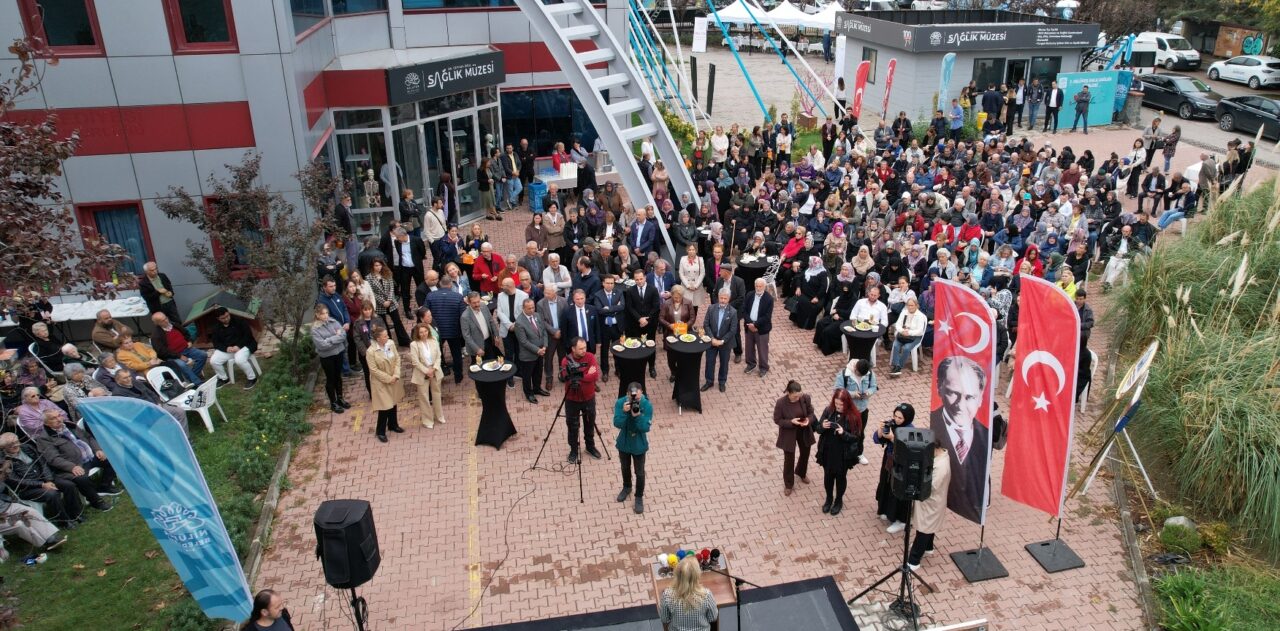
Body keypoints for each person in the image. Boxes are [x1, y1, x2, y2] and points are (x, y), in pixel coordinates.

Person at [929, 356, 990, 525]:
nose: (960, 405)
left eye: (970, 397)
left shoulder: (985, 436)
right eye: (953, 393)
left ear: (981, 397)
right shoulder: (932, 430)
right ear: (939, 387)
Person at [35, 409, 119, 512]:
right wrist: (71, 467)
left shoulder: (70, 426)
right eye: (54, 418)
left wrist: (98, 449)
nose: (58, 419)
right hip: (74, 464)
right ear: (46, 423)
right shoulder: (44, 438)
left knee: (111, 457)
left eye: (59, 416)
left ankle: (104, 486)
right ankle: (96, 502)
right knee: (81, 478)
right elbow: (53, 459)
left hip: (90, 457)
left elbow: (88, 437)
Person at [1, 431, 83, 528]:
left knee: (69, 485)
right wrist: (41, 485)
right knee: (51, 494)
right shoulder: (3, 461)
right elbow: (16, 481)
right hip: (26, 489)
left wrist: (48, 480)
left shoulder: (27, 448)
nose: (15, 446)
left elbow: (42, 463)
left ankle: (75, 514)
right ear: (4, 447)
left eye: (16, 442)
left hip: (45, 479)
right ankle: (64, 521)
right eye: (11, 445)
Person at [0, 460, 67, 561]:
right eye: (2, 473)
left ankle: (50, 538)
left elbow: (6, 462)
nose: (4, 475)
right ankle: (43, 543)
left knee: (30, 511)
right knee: (18, 524)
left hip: (7, 506)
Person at [908, 440, 952, 570]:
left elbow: (932, 486)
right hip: (932, 502)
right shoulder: (941, 456)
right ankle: (928, 547)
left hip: (931, 501)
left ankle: (914, 560)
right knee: (929, 526)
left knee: (924, 529)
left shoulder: (941, 467)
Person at [817, 389, 862, 515]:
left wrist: (843, 433)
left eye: (841, 405)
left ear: (847, 403)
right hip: (827, 450)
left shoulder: (853, 416)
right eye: (836, 404)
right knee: (828, 476)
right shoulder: (828, 410)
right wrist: (822, 426)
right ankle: (829, 498)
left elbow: (856, 437)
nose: (838, 407)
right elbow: (818, 429)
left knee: (841, 478)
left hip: (843, 453)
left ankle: (838, 500)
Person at [561, 337, 602, 464]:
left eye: (585, 347)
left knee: (589, 423)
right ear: (573, 349)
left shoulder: (590, 357)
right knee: (572, 426)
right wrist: (586, 374)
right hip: (572, 399)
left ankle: (590, 446)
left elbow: (594, 375)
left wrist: (579, 375)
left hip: (589, 398)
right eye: (581, 348)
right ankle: (573, 450)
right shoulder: (565, 361)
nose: (584, 350)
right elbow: (566, 377)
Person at [875, 403, 915, 532]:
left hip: (902, 467)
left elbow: (909, 449)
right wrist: (880, 430)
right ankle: (886, 510)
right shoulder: (892, 424)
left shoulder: (911, 430)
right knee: (886, 485)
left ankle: (901, 520)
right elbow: (877, 439)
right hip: (890, 461)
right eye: (895, 416)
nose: (896, 420)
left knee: (898, 491)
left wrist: (893, 438)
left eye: (900, 418)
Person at [614, 382, 652, 515]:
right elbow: (617, 423)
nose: (635, 399)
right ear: (627, 395)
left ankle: (639, 497)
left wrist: (637, 416)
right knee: (624, 467)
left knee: (640, 472)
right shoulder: (620, 403)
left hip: (638, 444)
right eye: (632, 397)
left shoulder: (647, 405)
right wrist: (625, 413)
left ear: (642, 393)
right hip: (624, 442)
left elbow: (645, 428)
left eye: (638, 396)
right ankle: (627, 486)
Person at [773, 380, 815, 496]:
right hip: (789, 433)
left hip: (803, 429)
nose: (798, 398)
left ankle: (801, 472)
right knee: (789, 458)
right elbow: (777, 420)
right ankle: (788, 484)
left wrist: (808, 420)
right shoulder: (781, 403)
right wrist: (791, 422)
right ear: (789, 393)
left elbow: (811, 413)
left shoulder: (805, 398)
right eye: (795, 396)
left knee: (805, 452)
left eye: (799, 395)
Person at [658, 557, 719, 631]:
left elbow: (665, 619)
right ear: (697, 575)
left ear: (677, 574)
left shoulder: (667, 595)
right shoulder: (706, 595)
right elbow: (713, 618)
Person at [366, 327, 405, 443]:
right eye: (384, 336)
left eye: (387, 335)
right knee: (384, 406)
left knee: (393, 402)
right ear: (378, 339)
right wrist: (389, 379)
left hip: (394, 378)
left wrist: (396, 374)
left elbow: (397, 358)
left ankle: (393, 424)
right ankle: (380, 431)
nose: (387, 337)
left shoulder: (391, 344)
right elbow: (373, 370)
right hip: (381, 382)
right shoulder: (371, 352)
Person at [310, 304, 350, 414]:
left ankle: (340, 398)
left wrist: (329, 339)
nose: (326, 315)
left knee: (338, 376)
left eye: (327, 313)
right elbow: (322, 345)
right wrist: (335, 338)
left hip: (339, 353)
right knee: (331, 379)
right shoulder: (315, 329)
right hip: (327, 357)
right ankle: (333, 402)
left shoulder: (333, 321)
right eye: (323, 314)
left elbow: (343, 335)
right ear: (317, 315)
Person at [150, 312, 207, 385]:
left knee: (203, 355)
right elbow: (162, 352)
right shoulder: (156, 335)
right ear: (157, 323)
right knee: (182, 365)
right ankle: (198, 383)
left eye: (166, 318)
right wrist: (179, 356)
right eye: (162, 321)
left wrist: (189, 340)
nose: (166, 321)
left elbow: (186, 332)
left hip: (186, 349)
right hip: (173, 356)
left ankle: (192, 377)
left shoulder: (174, 325)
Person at [209, 307, 258, 389]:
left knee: (239, 360)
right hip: (229, 349)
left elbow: (248, 335)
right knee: (214, 361)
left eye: (227, 316)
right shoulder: (216, 328)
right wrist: (226, 348)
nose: (226, 319)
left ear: (228, 313)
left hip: (244, 345)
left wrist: (238, 346)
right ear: (218, 319)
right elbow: (216, 343)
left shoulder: (240, 321)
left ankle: (252, 378)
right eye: (223, 318)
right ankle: (224, 379)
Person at [700, 288, 738, 393]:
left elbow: (733, 330)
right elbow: (706, 324)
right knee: (709, 362)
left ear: (729, 299)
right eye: (721, 298)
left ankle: (722, 382)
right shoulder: (711, 308)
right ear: (718, 297)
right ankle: (709, 381)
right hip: (711, 342)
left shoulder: (733, 312)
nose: (723, 300)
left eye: (725, 298)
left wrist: (721, 341)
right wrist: (712, 339)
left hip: (725, 343)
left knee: (724, 363)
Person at [514, 299, 551, 404]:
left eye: (533, 307)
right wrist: (537, 350)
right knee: (527, 376)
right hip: (528, 355)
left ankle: (537, 388)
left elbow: (543, 331)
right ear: (523, 308)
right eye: (529, 308)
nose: (531, 310)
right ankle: (529, 393)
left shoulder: (537, 315)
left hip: (540, 352)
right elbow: (523, 342)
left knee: (538, 372)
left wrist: (545, 345)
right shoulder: (519, 322)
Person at [625, 268, 661, 378]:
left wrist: (647, 319)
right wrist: (639, 319)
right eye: (637, 280)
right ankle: (638, 366)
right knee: (637, 344)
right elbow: (629, 307)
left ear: (645, 278)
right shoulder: (630, 291)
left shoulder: (653, 289)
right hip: (636, 324)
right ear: (634, 280)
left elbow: (656, 307)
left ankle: (651, 367)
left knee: (650, 344)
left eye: (641, 279)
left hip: (650, 324)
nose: (639, 281)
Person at [408, 321, 444, 429]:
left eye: (425, 331)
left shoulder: (433, 340)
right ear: (417, 334)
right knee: (424, 397)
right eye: (421, 332)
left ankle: (439, 416)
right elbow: (415, 362)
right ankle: (428, 420)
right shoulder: (414, 345)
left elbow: (439, 356)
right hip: (422, 373)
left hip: (435, 370)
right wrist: (427, 371)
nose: (424, 334)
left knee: (437, 394)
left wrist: (434, 369)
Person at [742, 277, 773, 378]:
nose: (758, 288)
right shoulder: (750, 294)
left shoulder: (769, 299)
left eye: (760, 286)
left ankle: (763, 367)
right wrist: (750, 323)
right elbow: (744, 310)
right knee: (749, 348)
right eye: (757, 286)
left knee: (762, 349)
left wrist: (755, 325)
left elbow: (767, 316)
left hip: (761, 329)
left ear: (764, 286)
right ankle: (751, 364)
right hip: (749, 326)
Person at [889, 297, 927, 376]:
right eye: (908, 305)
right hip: (902, 335)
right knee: (895, 345)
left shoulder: (920, 316)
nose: (910, 307)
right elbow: (898, 324)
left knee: (906, 348)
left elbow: (920, 331)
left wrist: (909, 332)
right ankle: (896, 366)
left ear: (916, 305)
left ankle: (899, 366)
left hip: (915, 336)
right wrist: (902, 331)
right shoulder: (904, 312)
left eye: (912, 305)